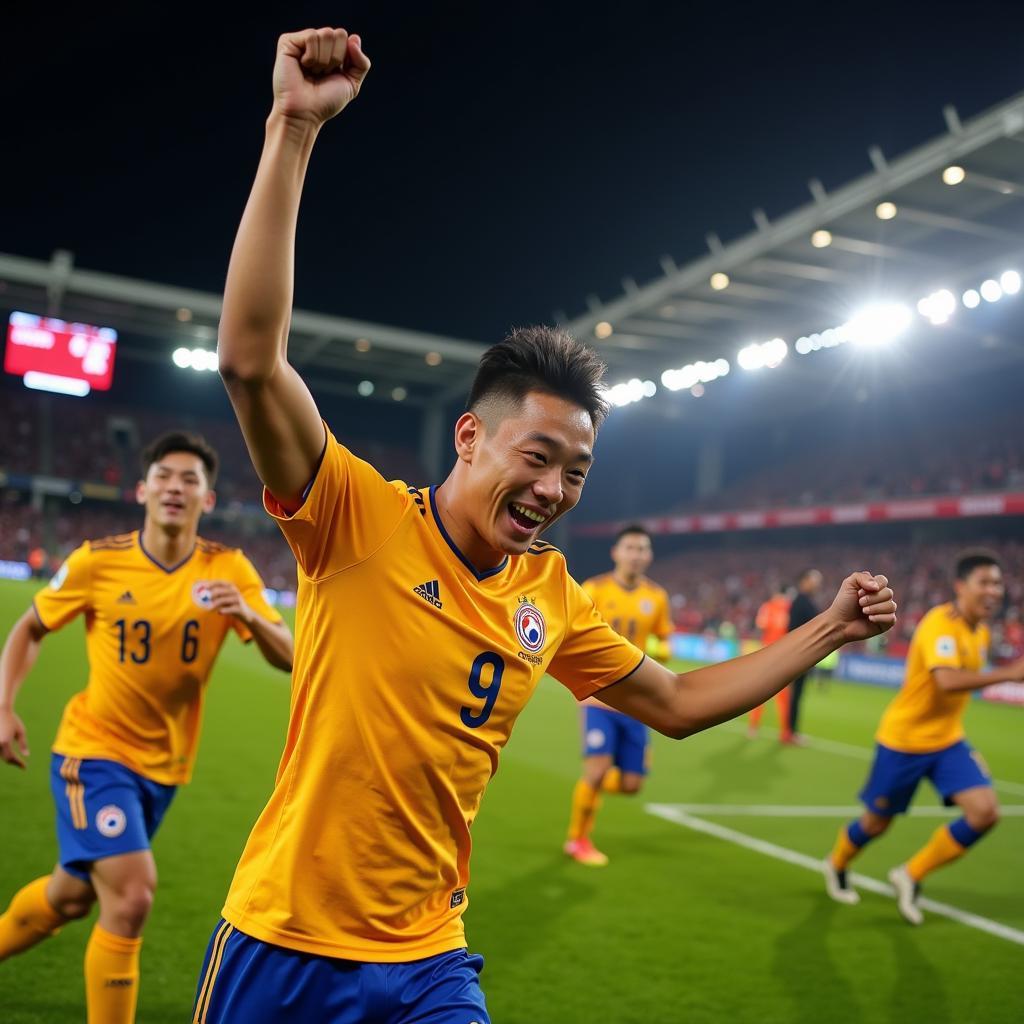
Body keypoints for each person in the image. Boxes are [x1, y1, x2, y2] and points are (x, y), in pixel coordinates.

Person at [194, 26, 897, 1023]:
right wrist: (293, 127)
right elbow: (250, 362)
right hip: (284, 941)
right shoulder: (351, 513)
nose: (557, 489)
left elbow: (679, 700)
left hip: (430, 961)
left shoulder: (552, 593)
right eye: (538, 458)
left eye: (578, 471)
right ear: (471, 436)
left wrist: (828, 629)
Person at [0, 432, 293, 1024]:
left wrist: (246, 615)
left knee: (72, 894)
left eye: (190, 480)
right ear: (143, 489)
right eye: (164, 476)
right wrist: (3, 706)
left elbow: (291, 654)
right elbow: (28, 629)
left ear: (208, 500)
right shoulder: (98, 560)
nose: (175, 488)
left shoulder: (228, 569)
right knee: (132, 895)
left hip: (163, 769)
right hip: (93, 753)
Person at [824, 549, 1022, 925]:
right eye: (985, 582)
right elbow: (946, 681)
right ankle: (836, 863)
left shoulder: (979, 632)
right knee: (877, 823)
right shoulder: (939, 624)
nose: (994, 590)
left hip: (947, 741)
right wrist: (1008, 674)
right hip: (904, 741)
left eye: (998, 583)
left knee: (984, 812)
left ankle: (910, 875)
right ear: (960, 586)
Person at [564, 525, 674, 866]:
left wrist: (662, 649)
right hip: (599, 696)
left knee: (631, 785)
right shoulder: (593, 589)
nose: (636, 554)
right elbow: (572, 635)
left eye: (642, 549)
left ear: (649, 556)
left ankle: (590, 787)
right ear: (616, 552)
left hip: (636, 700)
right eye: (630, 547)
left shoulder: (656, 597)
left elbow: (663, 638)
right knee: (596, 771)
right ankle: (578, 838)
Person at [746, 584, 793, 742]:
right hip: (783, 655)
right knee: (784, 697)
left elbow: (761, 625)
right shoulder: (789, 607)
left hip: (768, 653)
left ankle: (753, 727)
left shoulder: (767, 606)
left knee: (759, 693)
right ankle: (785, 732)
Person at [786, 568, 822, 741]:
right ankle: (791, 732)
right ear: (805, 581)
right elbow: (792, 630)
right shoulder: (801, 602)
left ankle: (791, 731)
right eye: (815, 581)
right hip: (799, 655)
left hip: (802, 654)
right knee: (795, 695)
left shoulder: (805, 601)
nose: (817, 585)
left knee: (797, 695)